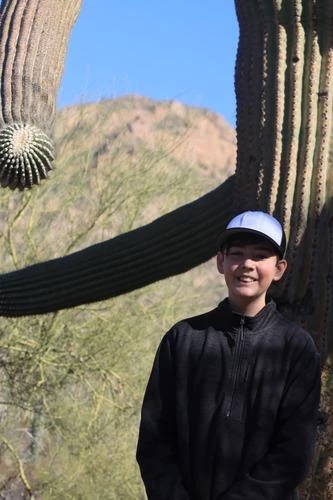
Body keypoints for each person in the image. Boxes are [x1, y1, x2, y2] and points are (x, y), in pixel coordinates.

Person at [136, 210, 321, 500]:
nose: (246, 264)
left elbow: (292, 453)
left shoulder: (296, 348)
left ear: (279, 269)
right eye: (236, 253)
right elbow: (154, 440)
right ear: (221, 262)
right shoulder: (183, 338)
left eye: (260, 256)